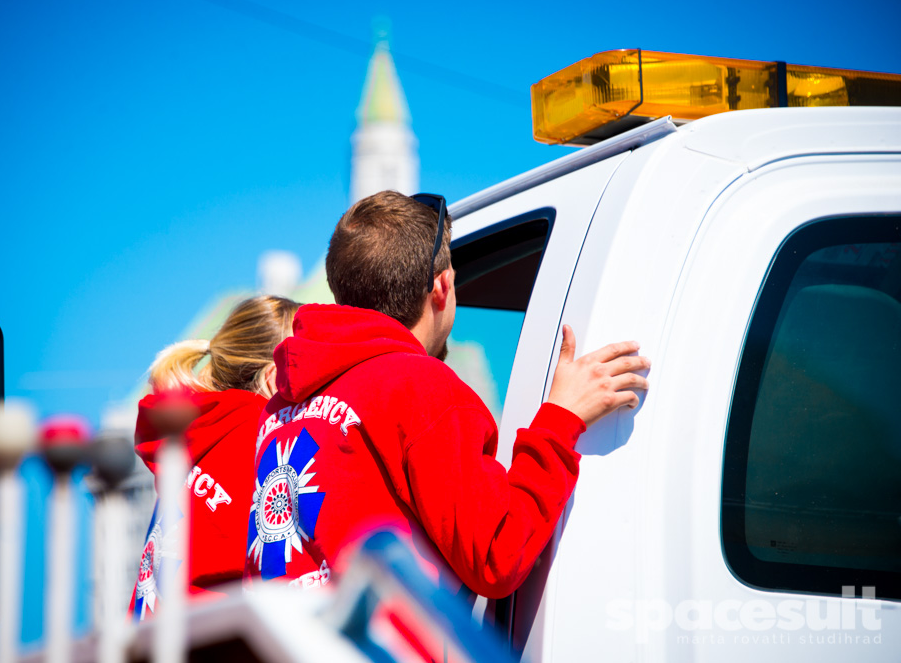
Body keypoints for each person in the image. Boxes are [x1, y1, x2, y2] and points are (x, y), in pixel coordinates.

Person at [244, 190, 650, 598]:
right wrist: (562, 418)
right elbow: (496, 554)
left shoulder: (282, 404)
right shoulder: (419, 386)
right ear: (443, 285)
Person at [128, 294, 299, 621]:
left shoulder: (201, 430)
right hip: (213, 634)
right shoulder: (258, 435)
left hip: (153, 633)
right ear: (275, 378)